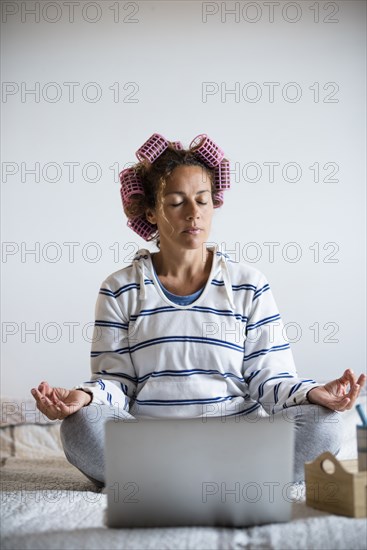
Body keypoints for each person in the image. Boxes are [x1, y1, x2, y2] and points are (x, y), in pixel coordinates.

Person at [31, 133, 366, 488]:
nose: (193, 213)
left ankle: (168, 482)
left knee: (326, 424)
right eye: (176, 202)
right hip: (153, 444)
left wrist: (314, 394)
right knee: (80, 426)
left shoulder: (248, 285)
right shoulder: (119, 289)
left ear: (212, 204)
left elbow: (270, 380)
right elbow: (117, 385)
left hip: (239, 443)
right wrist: (83, 397)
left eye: (202, 200)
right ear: (151, 212)